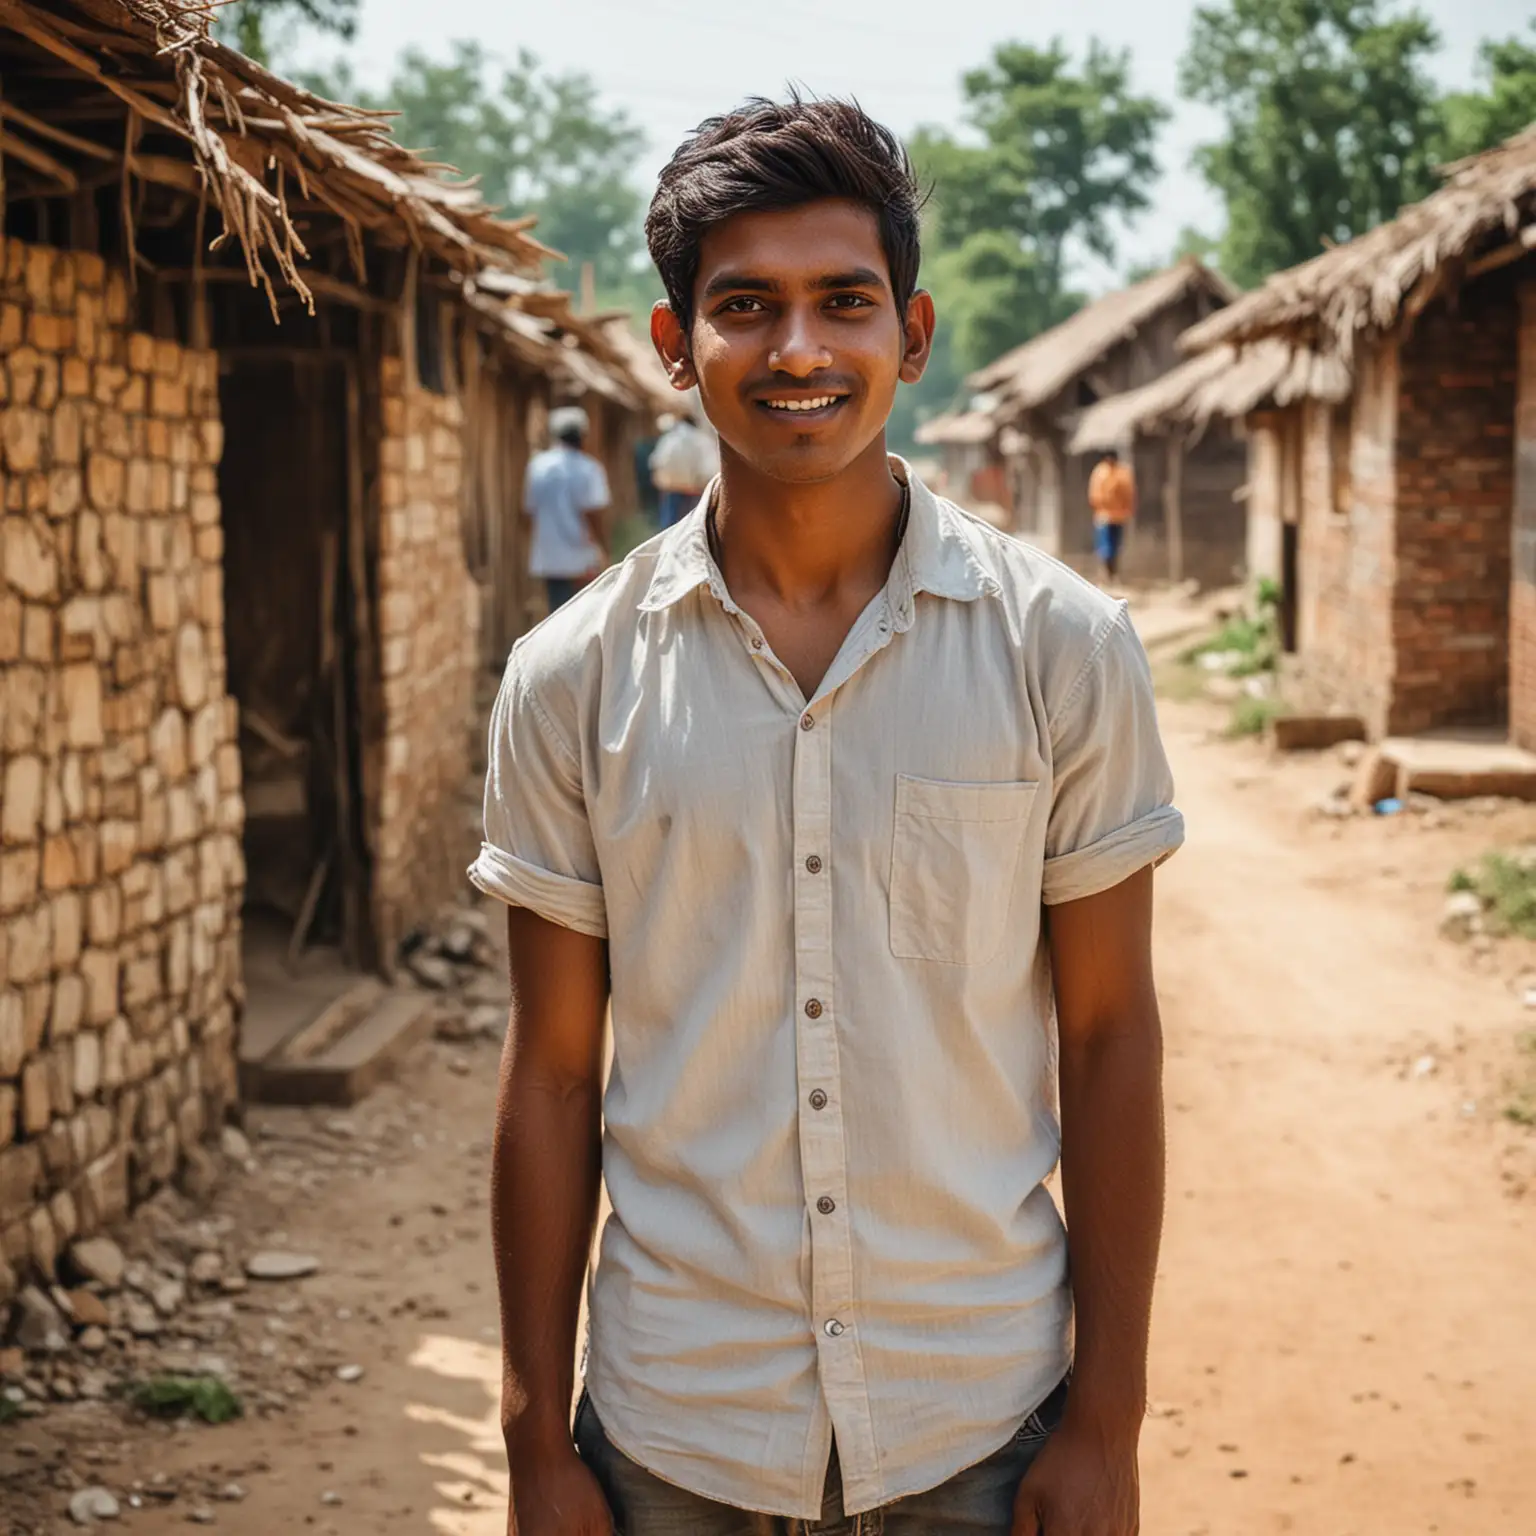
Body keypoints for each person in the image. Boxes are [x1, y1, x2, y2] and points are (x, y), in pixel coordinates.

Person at [474, 95, 1183, 1536]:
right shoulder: (570, 680)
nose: (798, 350)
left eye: (842, 303)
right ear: (676, 348)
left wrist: (1106, 1424)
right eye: (746, 307)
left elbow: (1109, 1036)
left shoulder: (1061, 648)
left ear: (911, 337)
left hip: (980, 1415)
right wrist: (535, 1447)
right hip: (677, 1433)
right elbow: (551, 1075)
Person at [524, 404, 610, 612]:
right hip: (581, 561)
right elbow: (594, 514)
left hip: (550, 559)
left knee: (557, 615)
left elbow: (529, 511)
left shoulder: (537, 466)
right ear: (582, 435)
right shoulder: (588, 468)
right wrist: (604, 550)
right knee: (583, 616)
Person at [649, 408, 719, 527]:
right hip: (696, 496)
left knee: (671, 532)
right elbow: (710, 471)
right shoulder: (702, 441)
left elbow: (657, 465)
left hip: (673, 494)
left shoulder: (669, 440)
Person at [1087, 447, 1137, 586]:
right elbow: (1094, 495)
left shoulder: (1122, 473)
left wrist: (1127, 510)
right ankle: (1104, 574)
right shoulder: (1100, 472)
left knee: (1115, 548)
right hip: (1103, 516)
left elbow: (1129, 494)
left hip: (1119, 517)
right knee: (1104, 548)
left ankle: (1113, 575)